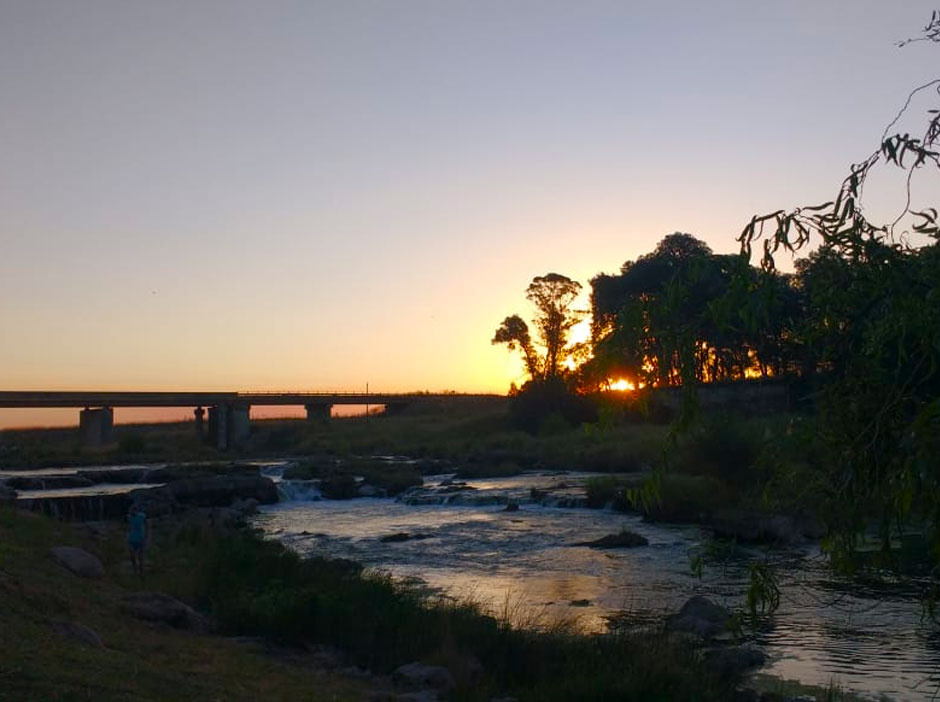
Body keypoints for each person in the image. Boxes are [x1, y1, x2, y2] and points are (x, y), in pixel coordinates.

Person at [127, 506, 148, 576]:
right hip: (132, 538)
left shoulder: (142, 516)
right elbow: (129, 527)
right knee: (132, 555)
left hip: (140, 538)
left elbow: (146, 525)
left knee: (140, 556)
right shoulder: (129, 517)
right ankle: (135, 570)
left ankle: (142, 571)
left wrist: (146, 536)